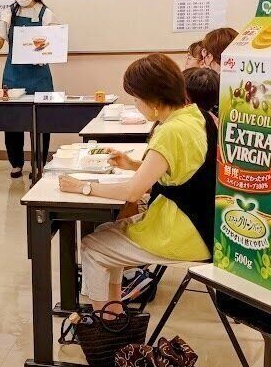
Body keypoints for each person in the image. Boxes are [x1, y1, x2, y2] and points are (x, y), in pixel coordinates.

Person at [58, 54, 215, 313]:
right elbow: (180, 171)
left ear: (154, 100)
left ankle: (105, 324)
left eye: (136, 98)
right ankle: (114, 315)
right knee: (107, 233)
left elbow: (132, 192)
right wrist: (132, 164)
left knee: (92, 248)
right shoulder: (195, 116)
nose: (136, 104)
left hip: (183, 233)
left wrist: (82, 187)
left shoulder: (170, 131)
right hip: (203, 227)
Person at [0, 0, 56, 178]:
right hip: (14, 75)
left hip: (40, 76)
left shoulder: (46, 14)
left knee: (42, 121)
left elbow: (55, 43)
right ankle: (16, 163)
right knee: (12, 120)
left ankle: (39, 164)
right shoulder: (8, 13)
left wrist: (45, 49)